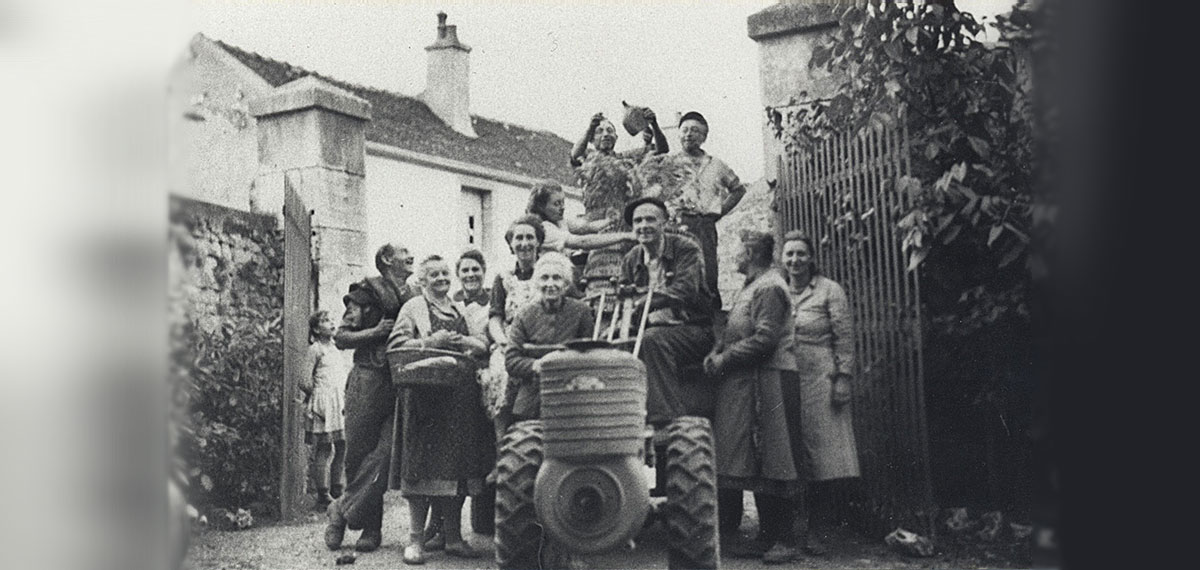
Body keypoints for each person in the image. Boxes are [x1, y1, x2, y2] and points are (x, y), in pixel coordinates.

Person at [387, 255, 493, 565]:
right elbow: (396, 346)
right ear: (422, 281)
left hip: (459, 400)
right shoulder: (414, 308)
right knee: (420, 470)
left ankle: (454, 538)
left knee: (455, 471)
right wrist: (430, 341)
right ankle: (415, 541)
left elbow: (482, 343)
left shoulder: (460, 308)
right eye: (433, 274)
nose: (442, 278)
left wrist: (463, 340)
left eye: (445, 273)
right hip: (424, 399)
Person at [704, 231, 801, 563]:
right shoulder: (754, 285)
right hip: (752, 383)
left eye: (738, 250)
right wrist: (719, 348)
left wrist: (725, 359)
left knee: (776, 458)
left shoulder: (770, 287)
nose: (734, 256)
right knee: (759, 460)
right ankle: (766, 537)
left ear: (750, 253)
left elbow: (765, 340)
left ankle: (785, 539)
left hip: (770, 380)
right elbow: (740, 330)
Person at [325, 243, 421, 552]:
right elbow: (340, 337)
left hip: (400, 382)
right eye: (404, 251)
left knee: (387, 454)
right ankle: (371, 529)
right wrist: (377, 331)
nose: (411, 255)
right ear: (387, 260)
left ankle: (339, 510)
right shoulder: (366, 294)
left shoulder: (414, 296)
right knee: (357, 456)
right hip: (367, 380)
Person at [781, 230, 860, 556]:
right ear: (782, 260)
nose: (795, 260)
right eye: (789, 255)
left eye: (801, 254)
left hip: (820, 380)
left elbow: (844, 336)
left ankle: (818, 530)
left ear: (811, 258)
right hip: (786, 380)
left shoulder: (830, 290)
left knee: (825, 458)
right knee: (789, 455)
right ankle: (790, 531)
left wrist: (843, 377)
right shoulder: (778, 289)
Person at [619, 197, 717, 427]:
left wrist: (646, 302)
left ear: (665, 222)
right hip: (649, 328)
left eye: (650, 219)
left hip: (692, 328)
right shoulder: (632, 258)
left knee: (653, 340)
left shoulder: (686, 249)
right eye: (638, 221)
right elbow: (624, 296)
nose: (643, 225)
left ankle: (665, 418)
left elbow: (686, 291)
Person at [423, 248, 496, 549]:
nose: (470, 275)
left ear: (483, 271)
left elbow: (491, 339)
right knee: (448, 456)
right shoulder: (449, 305)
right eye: (464, 270)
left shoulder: (492, 302)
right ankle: (436, 527)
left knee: (470, 457)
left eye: (475, 269)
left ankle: (449, 529)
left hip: (484, 376)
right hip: (455, 382)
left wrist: (468, 342)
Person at [639, 111, 747, 308]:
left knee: (707, 272)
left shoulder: (716, 165)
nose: (689, 134)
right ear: (679, 134)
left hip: (704, 225)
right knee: (676, 270)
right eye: (685, 130)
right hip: (676, 225)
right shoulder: (669, 163)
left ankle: (709, 318)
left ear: (704, 136)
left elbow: (738, 189)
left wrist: (719, 212)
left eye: (695, 131)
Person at [570, 110, 668, 296]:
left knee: (630, 281)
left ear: (616, 137)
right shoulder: (587, 161)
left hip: (624, 226)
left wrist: (654, 125)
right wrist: (590, 126)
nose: (605, 134)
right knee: (598, 283)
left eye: (610, 131)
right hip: (598, 229)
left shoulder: (626, 160)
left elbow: (661, 150)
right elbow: (575, 155)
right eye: (600, 131)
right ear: (592, 139)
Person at [504, 252, 596, 420]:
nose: (550, 284)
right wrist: (536, 365)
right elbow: (511, 360)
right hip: (534, 389)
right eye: (544, 278)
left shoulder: (581, 311)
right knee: (524, 434)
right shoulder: (524, 315)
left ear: (566, 284)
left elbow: (589, 353)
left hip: (572, 387)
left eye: (557, 278)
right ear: (537, 283)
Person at [486, 215, 548, 438]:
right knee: (500, 376)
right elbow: (495, 316)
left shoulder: (549, 274)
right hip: (509, 342)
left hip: (542, 341)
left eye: (530, 237)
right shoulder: (503, 278)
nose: (524, 243)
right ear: (511, 244)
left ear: (538, 242)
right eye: (518, 238)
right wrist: (502, 341)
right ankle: (501, 447)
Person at [301, 309, 348, 510]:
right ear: (316, 329)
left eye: (331, 319)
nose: (331, 323)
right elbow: (304, 380)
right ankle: (322, 494)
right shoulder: (315, 349)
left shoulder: (336, 348)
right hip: (324, 403)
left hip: (339, 402)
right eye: (325, 320)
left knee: (343, 445)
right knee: (324, 447)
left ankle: (338, 488)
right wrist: (318, 398)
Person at [525, 181, 636, 259]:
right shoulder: (544, 228)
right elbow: (582, 242)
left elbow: (586, 227)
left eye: (563, 202)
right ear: (541, 207)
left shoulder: (559, 221)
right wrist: (625, 236)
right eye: (556, 204)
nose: (562, 207)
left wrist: (608, 221)